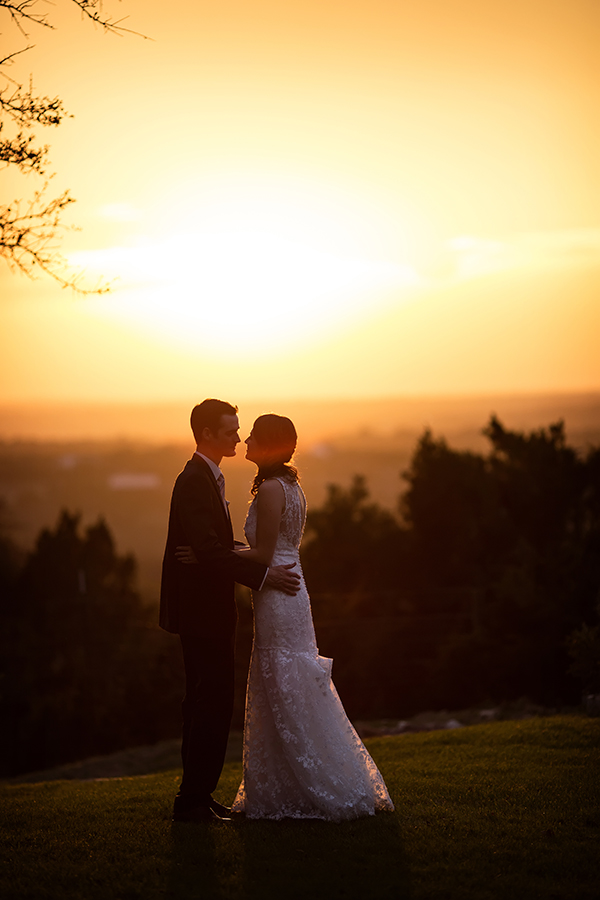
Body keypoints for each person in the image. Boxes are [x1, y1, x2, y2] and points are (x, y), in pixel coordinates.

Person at [178, 413, 394, 820]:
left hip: (278, 592)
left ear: (270, 445)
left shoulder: (273, 489)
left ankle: (309, 783)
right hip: (287, 587)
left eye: (253, 436)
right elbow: (272, 550)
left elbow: (262, 554)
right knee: (286, 682)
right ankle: (284, 785)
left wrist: (209, 556)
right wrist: (221, 552)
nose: (245, 441)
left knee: (283, 682)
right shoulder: (290, 486)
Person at [160, 399, 300, 824]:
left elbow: (210, 550)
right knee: (211, 703)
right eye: (229, 432)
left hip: (208, 611)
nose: (238, 438)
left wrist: (212, 555)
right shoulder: (194, 480)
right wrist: (263, 577)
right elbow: (208, 549)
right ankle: (194, 800)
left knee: (205, 702)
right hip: (202, 614)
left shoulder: (208, 477)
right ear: (205, 435)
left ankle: (196, 796)